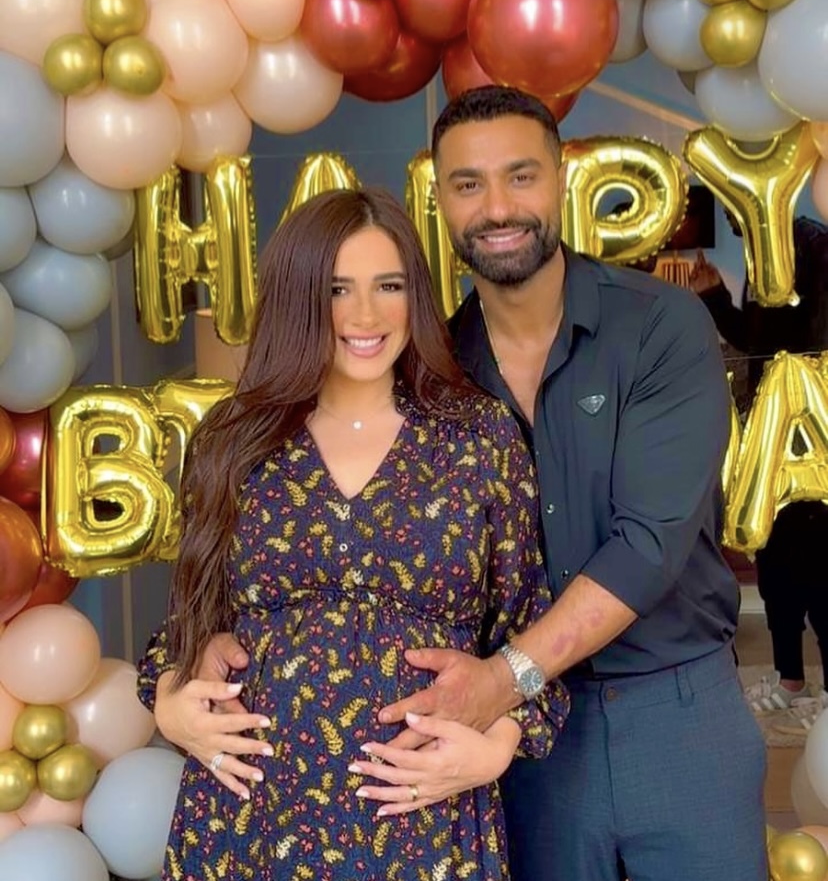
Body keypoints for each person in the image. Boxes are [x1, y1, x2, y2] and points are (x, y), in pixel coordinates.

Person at [148, 86, 768, 881]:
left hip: (663, 707)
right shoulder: (436, 374)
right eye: (469, 183)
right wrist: (174, 688)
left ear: (563, 179)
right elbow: (193, 614)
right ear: (439, 199)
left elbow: (647, 546)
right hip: (418, 778)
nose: (498, 206)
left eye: (521, 175)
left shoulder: (652, 328)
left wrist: (503, 698)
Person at [136, 186, 569, 881]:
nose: (366, 315)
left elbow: (529, 626)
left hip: (423, 822)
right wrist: (170, 704)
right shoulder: (234, 440)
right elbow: (189, 628)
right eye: (338, 289)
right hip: (252, 820)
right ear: (298, 298)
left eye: (388, 286)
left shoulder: (478, 437)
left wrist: (499, 747)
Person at [690, 218, 828, 726]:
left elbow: (787, 338)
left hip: (804, 433)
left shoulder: (809, 246)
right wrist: (716, 297)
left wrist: (714, 299)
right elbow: (758, 340)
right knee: (777, 569)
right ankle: (791, 680)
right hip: (773, 436)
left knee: (816, 569)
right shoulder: (769, 247)